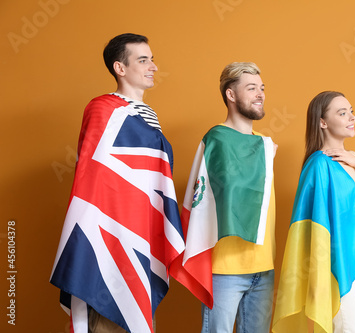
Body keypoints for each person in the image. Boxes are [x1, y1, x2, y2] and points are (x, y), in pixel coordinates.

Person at [50, 33, 183, 333]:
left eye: (152, 59)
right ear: (120, 68)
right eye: (143, 60)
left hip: (142, 230)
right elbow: (92, 178)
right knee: (110, 320)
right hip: (109, 234)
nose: (153, 66)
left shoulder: (150, 115)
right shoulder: (103, 109)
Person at [272, 91, 355, 333]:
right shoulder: (318, 164)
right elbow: (313, 222)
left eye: (351, 111)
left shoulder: (354, 158)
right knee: (348, 325)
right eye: (342, 112)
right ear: (322, 122)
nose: (352, 117)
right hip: (334, 259)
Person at [171, 62, 277, 333]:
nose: (260, 94)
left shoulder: (266, 145)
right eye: (251, 88)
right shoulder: (216, 139)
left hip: (264, 267)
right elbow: (203, 199)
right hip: (226, 269)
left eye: (262, 88)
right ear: (231, 95)